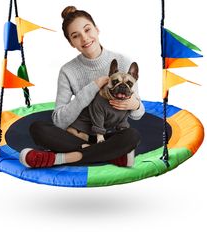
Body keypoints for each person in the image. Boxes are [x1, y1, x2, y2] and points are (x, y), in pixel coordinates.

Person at [19, 6, 145, 168]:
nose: (84, 38)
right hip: (78, 135)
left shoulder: (123, 61)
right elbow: (59, 120)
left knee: (132, 135)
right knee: (38, 129)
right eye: (75, 36)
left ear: (97, 29)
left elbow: (138, 115)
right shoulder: (68, 71)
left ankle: (60, 158)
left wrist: (134, 104)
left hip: (111, 135)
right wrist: (92, 87)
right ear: (71, 43)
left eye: (87, 30)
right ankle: (109, 155)